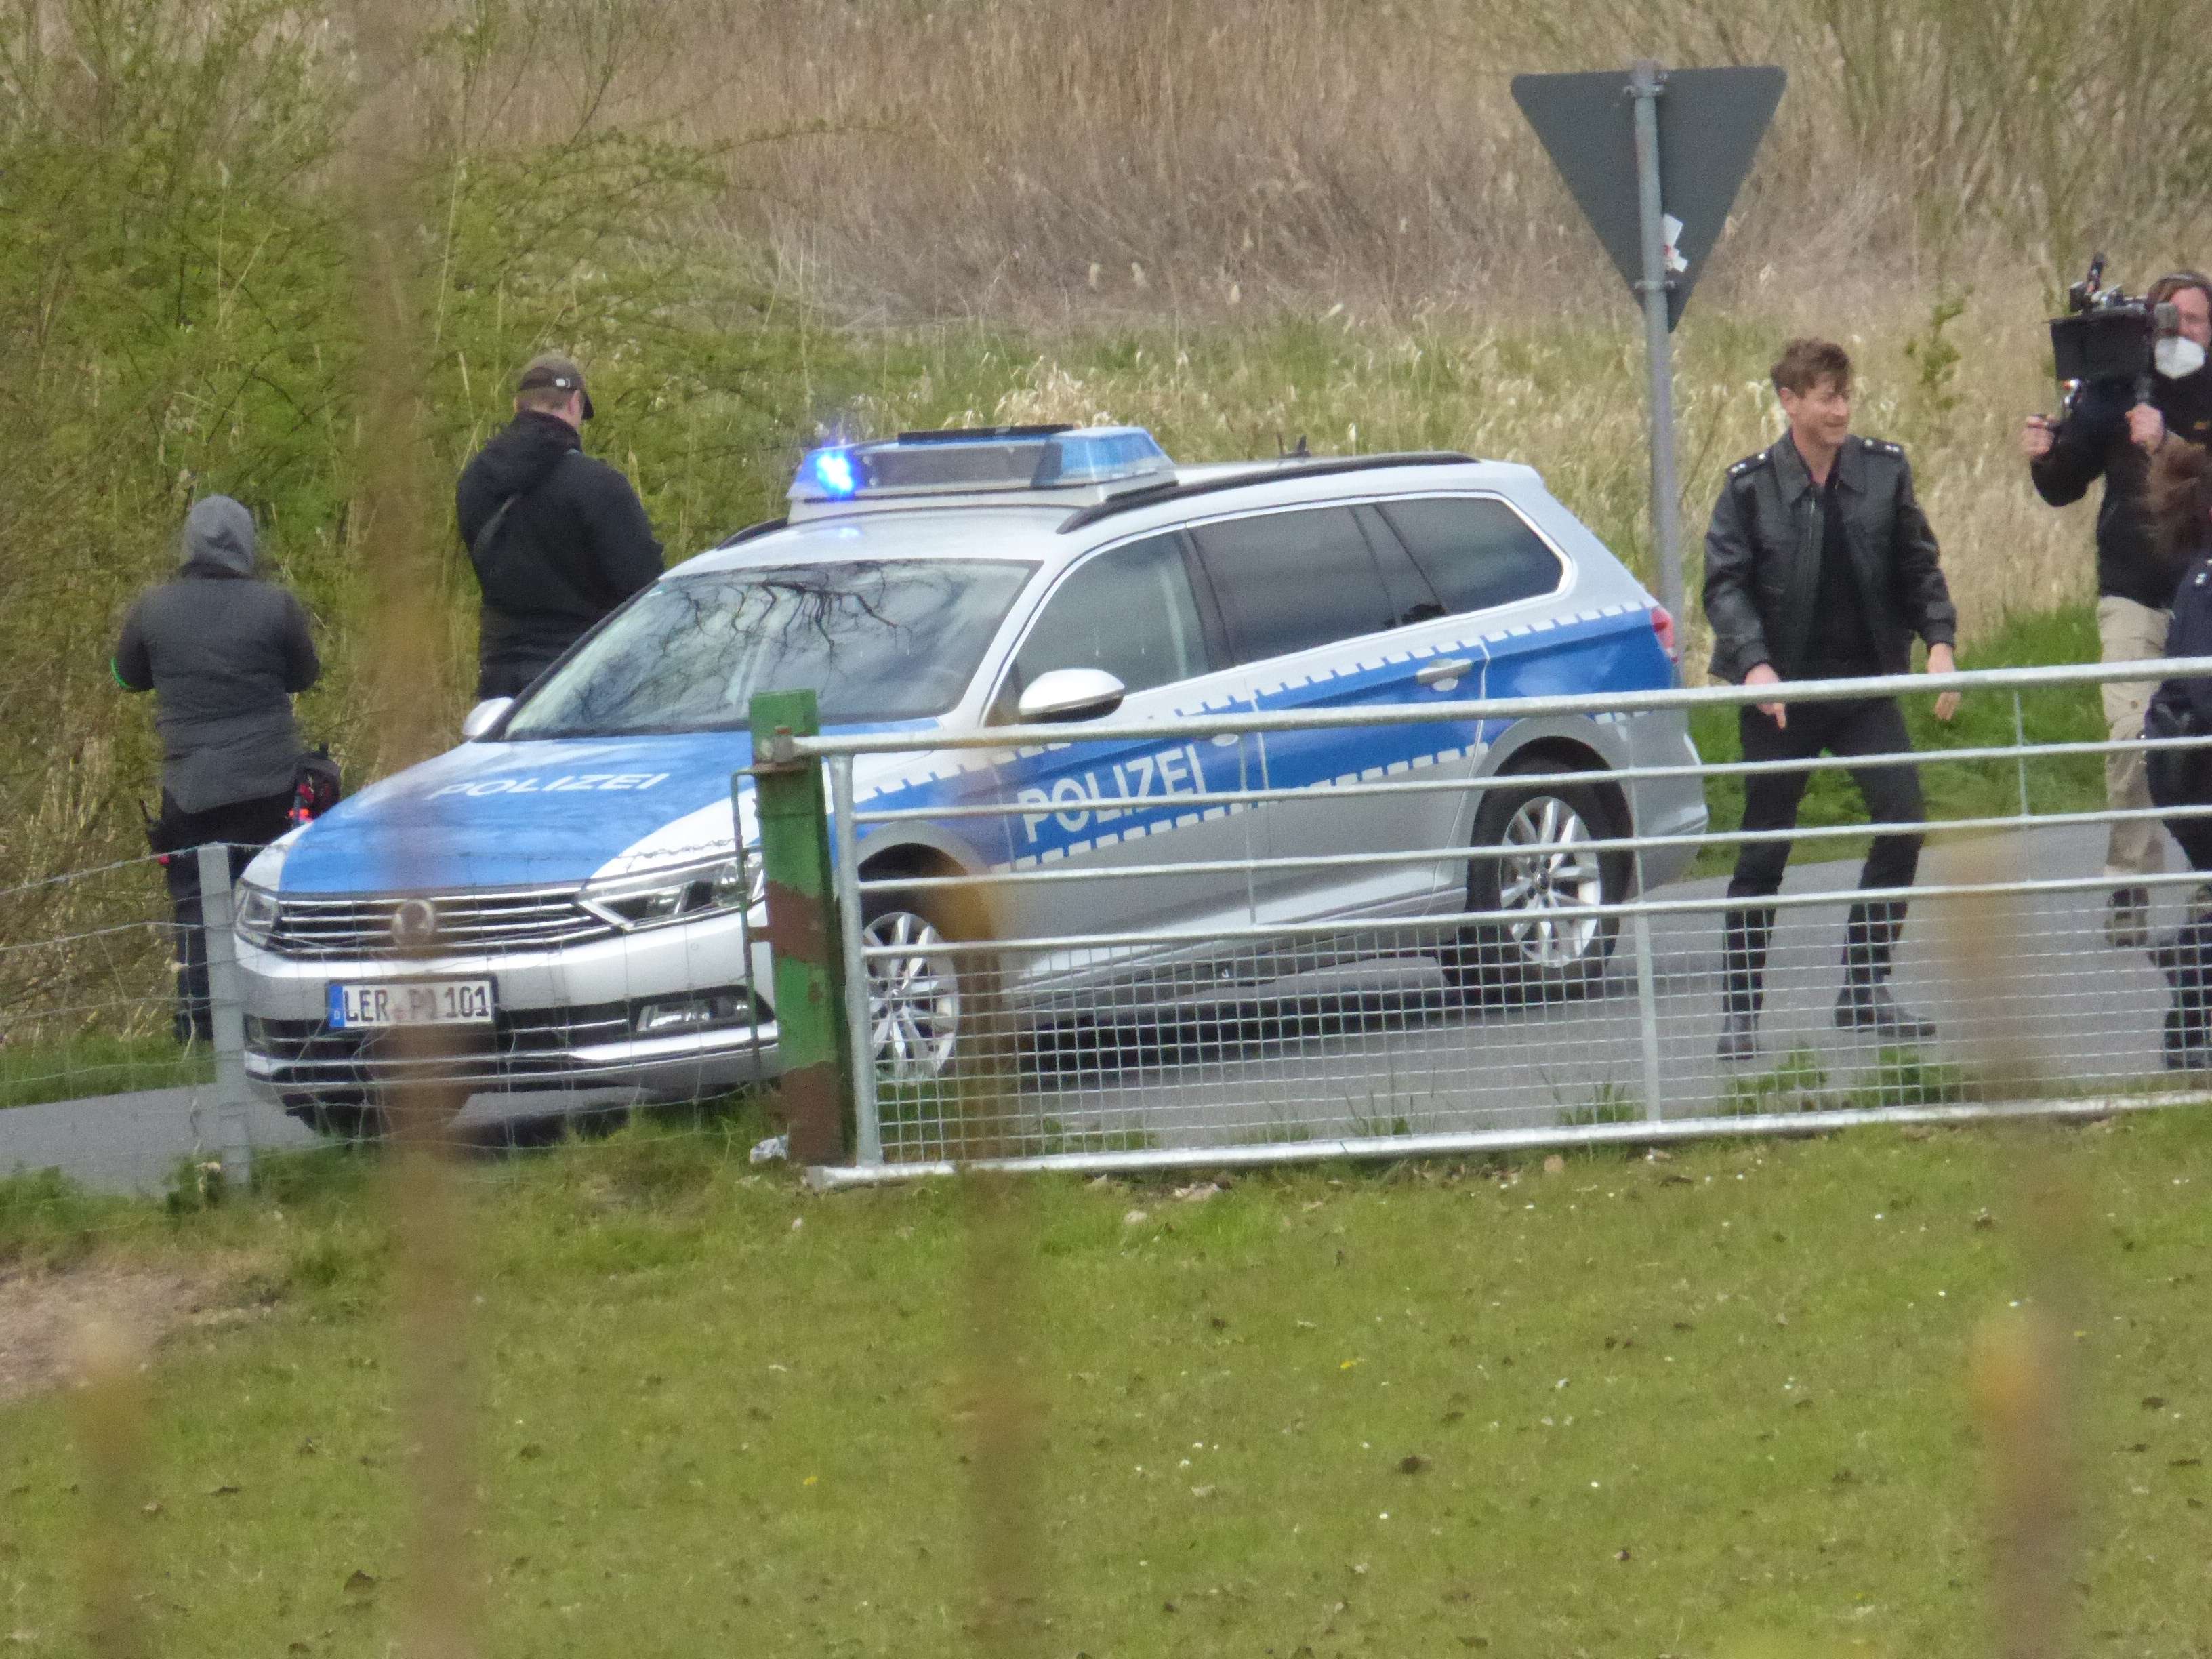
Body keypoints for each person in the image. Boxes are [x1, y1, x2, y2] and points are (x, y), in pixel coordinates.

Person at [1704, 337, 1961, 1063]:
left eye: (1846, 394)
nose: (1841, 409)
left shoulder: (1884, 471)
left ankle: (1864, 986)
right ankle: (1740, 1014)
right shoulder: (1749, 487)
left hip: (1863, 687)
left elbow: (1918, 564)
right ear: (1790, 402)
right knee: (1763, 855)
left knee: (1903, 821)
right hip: (1781, 696)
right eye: (1825, 396)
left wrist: (1939, 643)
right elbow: (1724, 586)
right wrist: (1754, 667)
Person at [2022, 271, 2212, 948]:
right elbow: (2064, 485)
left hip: (2205, 591)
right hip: (2132, 589)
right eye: (2171, 320)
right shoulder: (2115, 386)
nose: (2182, 332)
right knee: (2129, 733)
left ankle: (2207, 882)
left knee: (2205, 744)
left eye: (2195, 320)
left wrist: (2169, 448)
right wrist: (2045, 457)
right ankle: (2130, 880)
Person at [114, 495, 320, 1043]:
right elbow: (305, 675)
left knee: (196, 903)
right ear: (246, 543)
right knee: (271, 897)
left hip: (191, 784)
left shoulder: (152, 608)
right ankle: (282, 1015)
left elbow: (126, 677)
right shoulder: (276, 604)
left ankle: (201, 1021)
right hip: (270, 783)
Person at [454, 353, 663, 699]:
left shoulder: (475, 480)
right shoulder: (600, 485)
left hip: (500, 683)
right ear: (576, 404)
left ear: (517, 405)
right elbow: (643, 588)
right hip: (583, 681)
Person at [2139, 439, 2212, 1065]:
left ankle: (2189, 965)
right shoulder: (2206, 579)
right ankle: (2190, 966)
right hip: (2190, 767)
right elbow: (2202, 682)